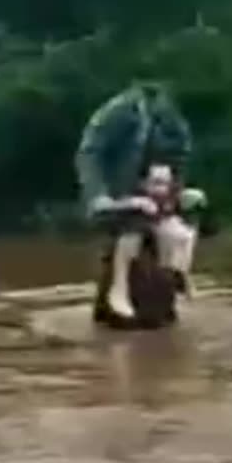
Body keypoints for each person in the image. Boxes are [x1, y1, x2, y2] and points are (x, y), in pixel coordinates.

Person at [75, 81, 206, 319]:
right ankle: (119, 289)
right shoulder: (117, 113)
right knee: (132, 225)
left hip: (154, 191)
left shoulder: (171, 120)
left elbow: (178, 157)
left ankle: (177, 277)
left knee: (183, 222)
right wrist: (98, 195)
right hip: (119, 195)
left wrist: (178, 192)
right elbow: (90, 152)